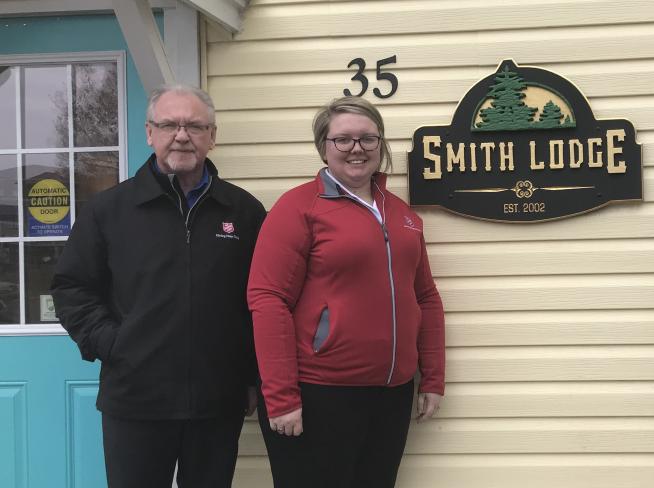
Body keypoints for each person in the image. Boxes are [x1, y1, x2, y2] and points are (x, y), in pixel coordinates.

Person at [51, 84, 266, 488]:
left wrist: (251, 376)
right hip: (135, 399)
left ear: (212, 136)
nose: (182, 135)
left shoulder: (243, 212)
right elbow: (72, 287)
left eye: (195, 126)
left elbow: (261, 299)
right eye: (169, 125)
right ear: (150, 133)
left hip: (217, 401)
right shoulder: (110, 210)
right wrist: (114, 345)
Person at [248, 96, 446, 488]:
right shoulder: (298, 208)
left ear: (381, 145)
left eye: (368, 139)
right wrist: (282, 398)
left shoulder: (402, 214)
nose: (357, 148)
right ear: (324, 146)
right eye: (343, 139)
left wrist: (433, 378)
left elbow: (425, 297)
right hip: (320, 393)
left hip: (391, 394)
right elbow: (268, 300)